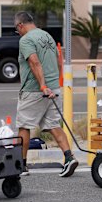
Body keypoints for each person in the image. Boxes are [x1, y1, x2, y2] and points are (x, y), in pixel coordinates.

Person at [14, 11, 78, 177]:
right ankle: (69, 158)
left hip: (35, 90)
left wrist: (42, 85)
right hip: (54, 88)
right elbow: (58, 60)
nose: (18, 32)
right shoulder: (47, 36)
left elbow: (34, 62)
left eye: (17, 29)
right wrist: (52, 84)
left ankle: (21, 165)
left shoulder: (26, 39)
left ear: (20, 25)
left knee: (24, 126)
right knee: (53, 125)